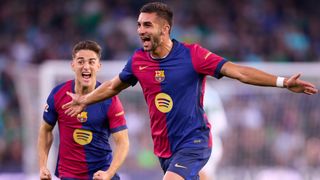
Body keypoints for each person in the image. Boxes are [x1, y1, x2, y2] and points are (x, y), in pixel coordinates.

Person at [62, 2, 318, 180]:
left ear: (165, 29)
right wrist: (85, 99)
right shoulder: (138, 60)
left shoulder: (193, 55)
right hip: (164, 148)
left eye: (147, 25)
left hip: (194, 141)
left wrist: (283, 82)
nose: (140, 30)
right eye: (139, 25)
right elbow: (113, 86)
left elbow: (238, 72)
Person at [38, 40, 129, 180]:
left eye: (91, 62)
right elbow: (45, 129)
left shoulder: (110, 100)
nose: (86, 67)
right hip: (69, 175)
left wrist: (109, 173)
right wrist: (43, 166)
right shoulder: (58, 94)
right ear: (73, 65)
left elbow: (123, 141)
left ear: (98, 66)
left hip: (101, 174)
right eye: (80, 62)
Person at [199, 85, 228, 180]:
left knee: (201, 173)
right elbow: (222, 123)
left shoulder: (209, 94)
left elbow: (220, 123)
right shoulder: (211, 92)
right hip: (208, 142)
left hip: (204, 142)